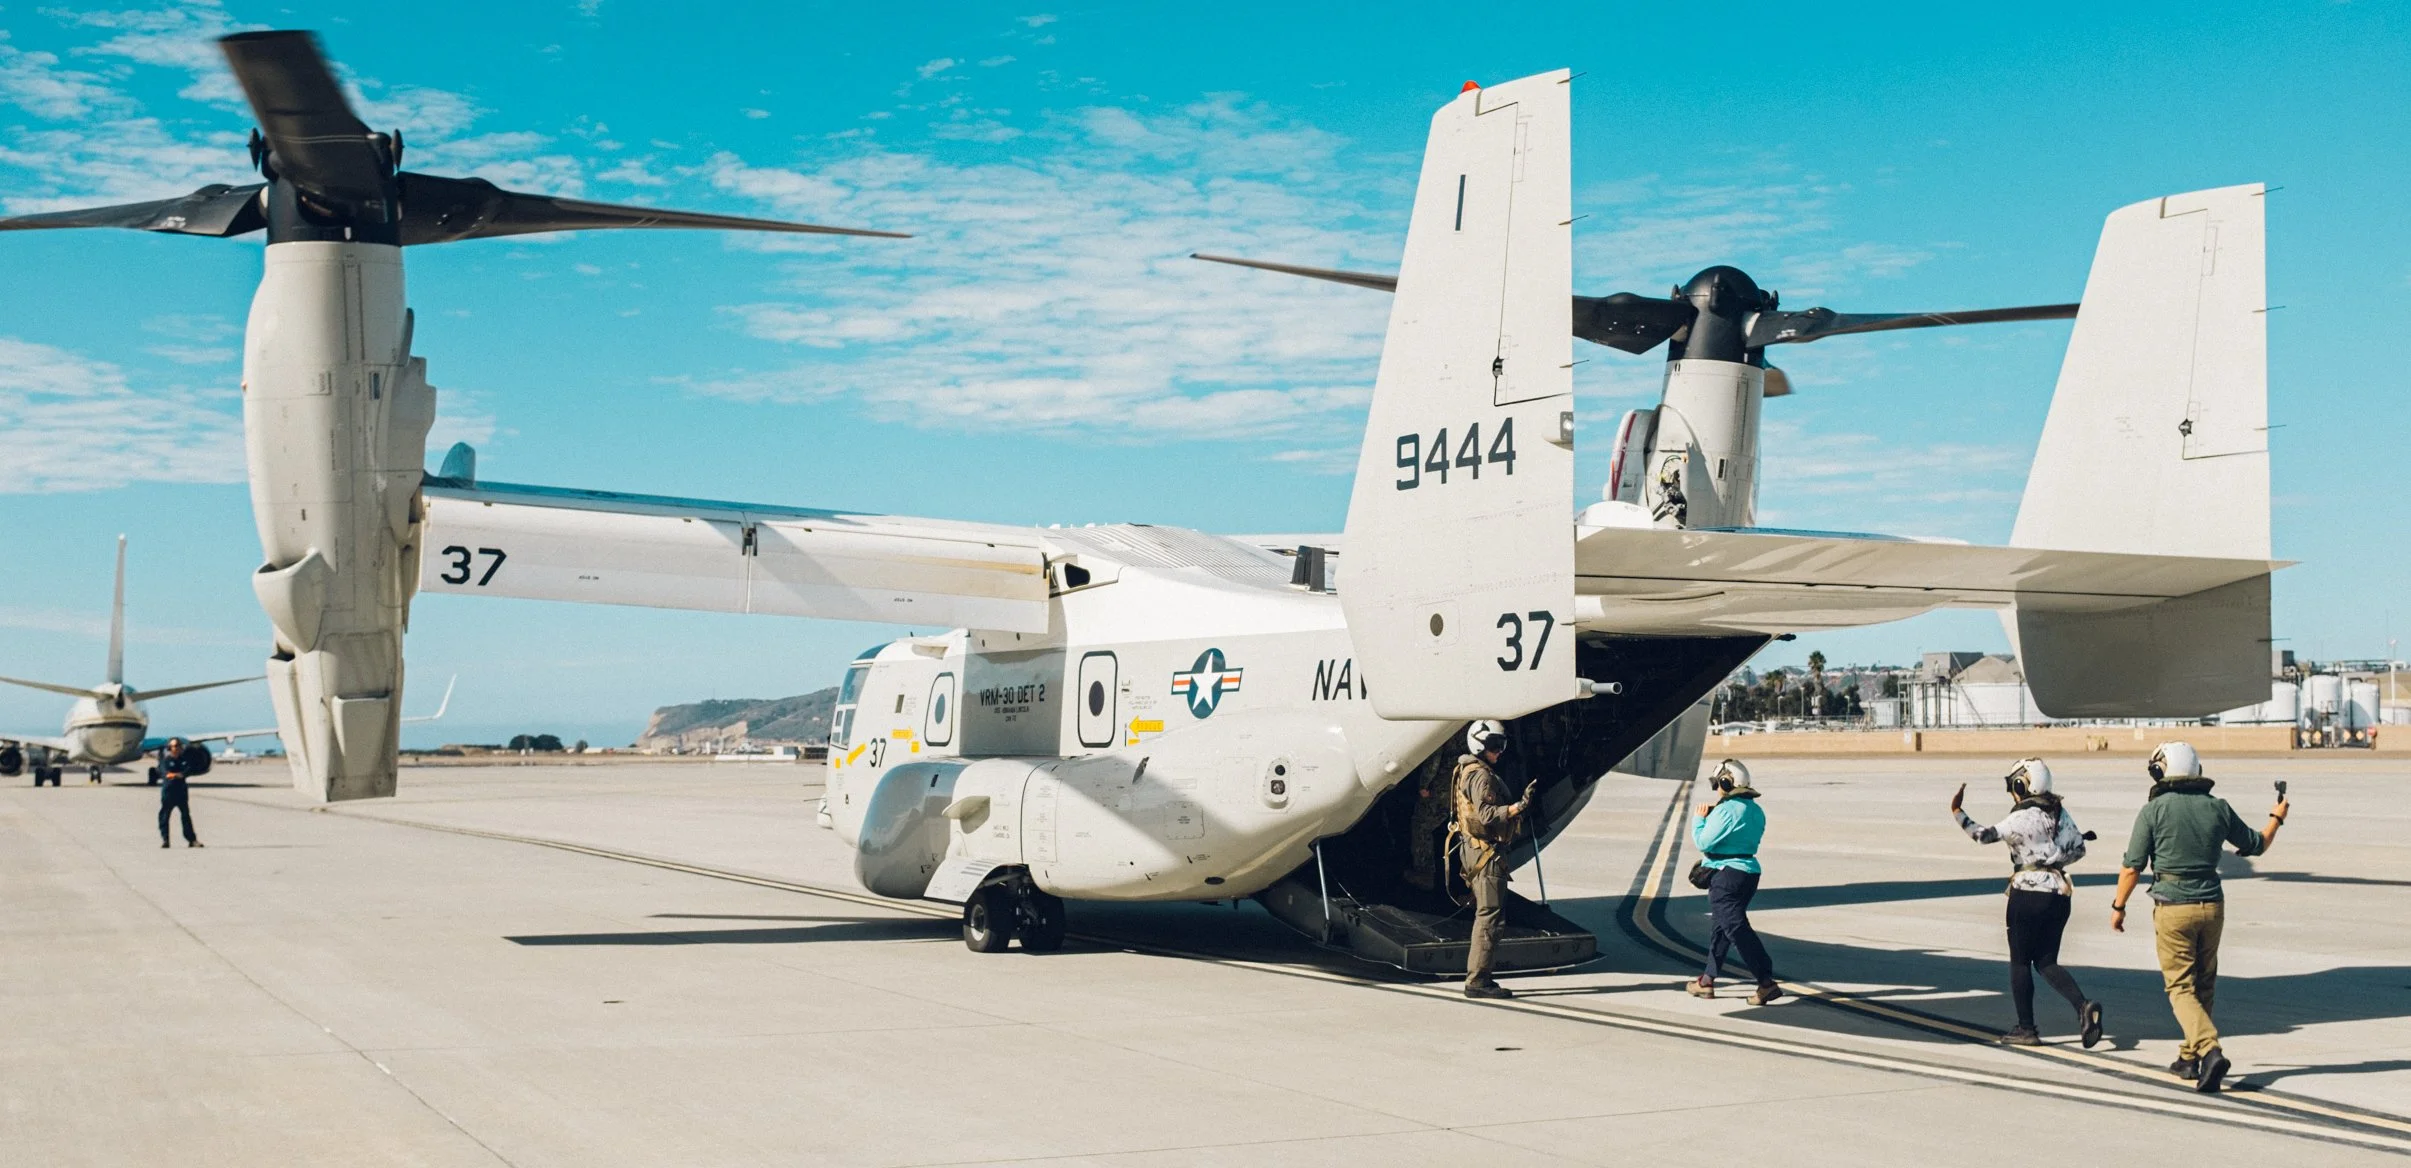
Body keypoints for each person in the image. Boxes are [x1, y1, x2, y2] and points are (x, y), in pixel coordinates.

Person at [2111, 742, 2287, 1093]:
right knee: (2204, 983)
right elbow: (2257, 844)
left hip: (2173, 908)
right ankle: (2189, 1057)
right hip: (2212, 906)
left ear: (2161, 771)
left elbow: (2132, 867)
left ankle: (2209, 1050)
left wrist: (2118, 907)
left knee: (2180, 987)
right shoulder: (2218, 807)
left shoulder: (2153, 811)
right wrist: (2277, 817)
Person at [1952, 758, 2103, 1047]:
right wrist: (2052, 858)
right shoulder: (2060, 813)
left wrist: (1958, 812)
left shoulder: (2020, 818)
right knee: (2046, 961)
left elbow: (1982, 836)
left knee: (2020, 962)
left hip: (2027, 895)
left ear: (2022, 785)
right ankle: (2083, 1006)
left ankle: (2026, 1028)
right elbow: (2079, 849)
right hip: (2059, 894)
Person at [1688, 759, 1782, 1005]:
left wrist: (1699, 819)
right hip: (1748, 874)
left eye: (1718, 784)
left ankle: (1766, 982)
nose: (1717, 789)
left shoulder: (1727, 810)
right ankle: (1706, 981)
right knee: (1721, 928)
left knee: (1736, 929)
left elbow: (1703, 842)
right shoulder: (1756, 810)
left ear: (1726, 782)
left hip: (1726, 876)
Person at [1453, 720, 1533, 999]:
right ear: (1479, 745)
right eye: (1495, 746)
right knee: (1490, 916)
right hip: (1485, 853)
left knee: (1486, 914)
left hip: (1472, 850)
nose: (1499, 751)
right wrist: (1518, 807)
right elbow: (1487, 816)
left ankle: (1479, 976)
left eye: (1502, 745)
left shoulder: (1465, 769)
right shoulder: (1482, 776)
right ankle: (1478, 981)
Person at [156, 737, 202, 849]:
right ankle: (165, 839)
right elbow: (165, 773)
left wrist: (176, 775)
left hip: (181, 792)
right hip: (168, 792)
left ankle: (192, 840)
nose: (176, 748)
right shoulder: (165, 761)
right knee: (164, 816)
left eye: (178, 746)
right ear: (169, 748)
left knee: (186, 816)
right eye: (173, 746)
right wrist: (178, 775)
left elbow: (188, 771)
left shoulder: (184, 760)